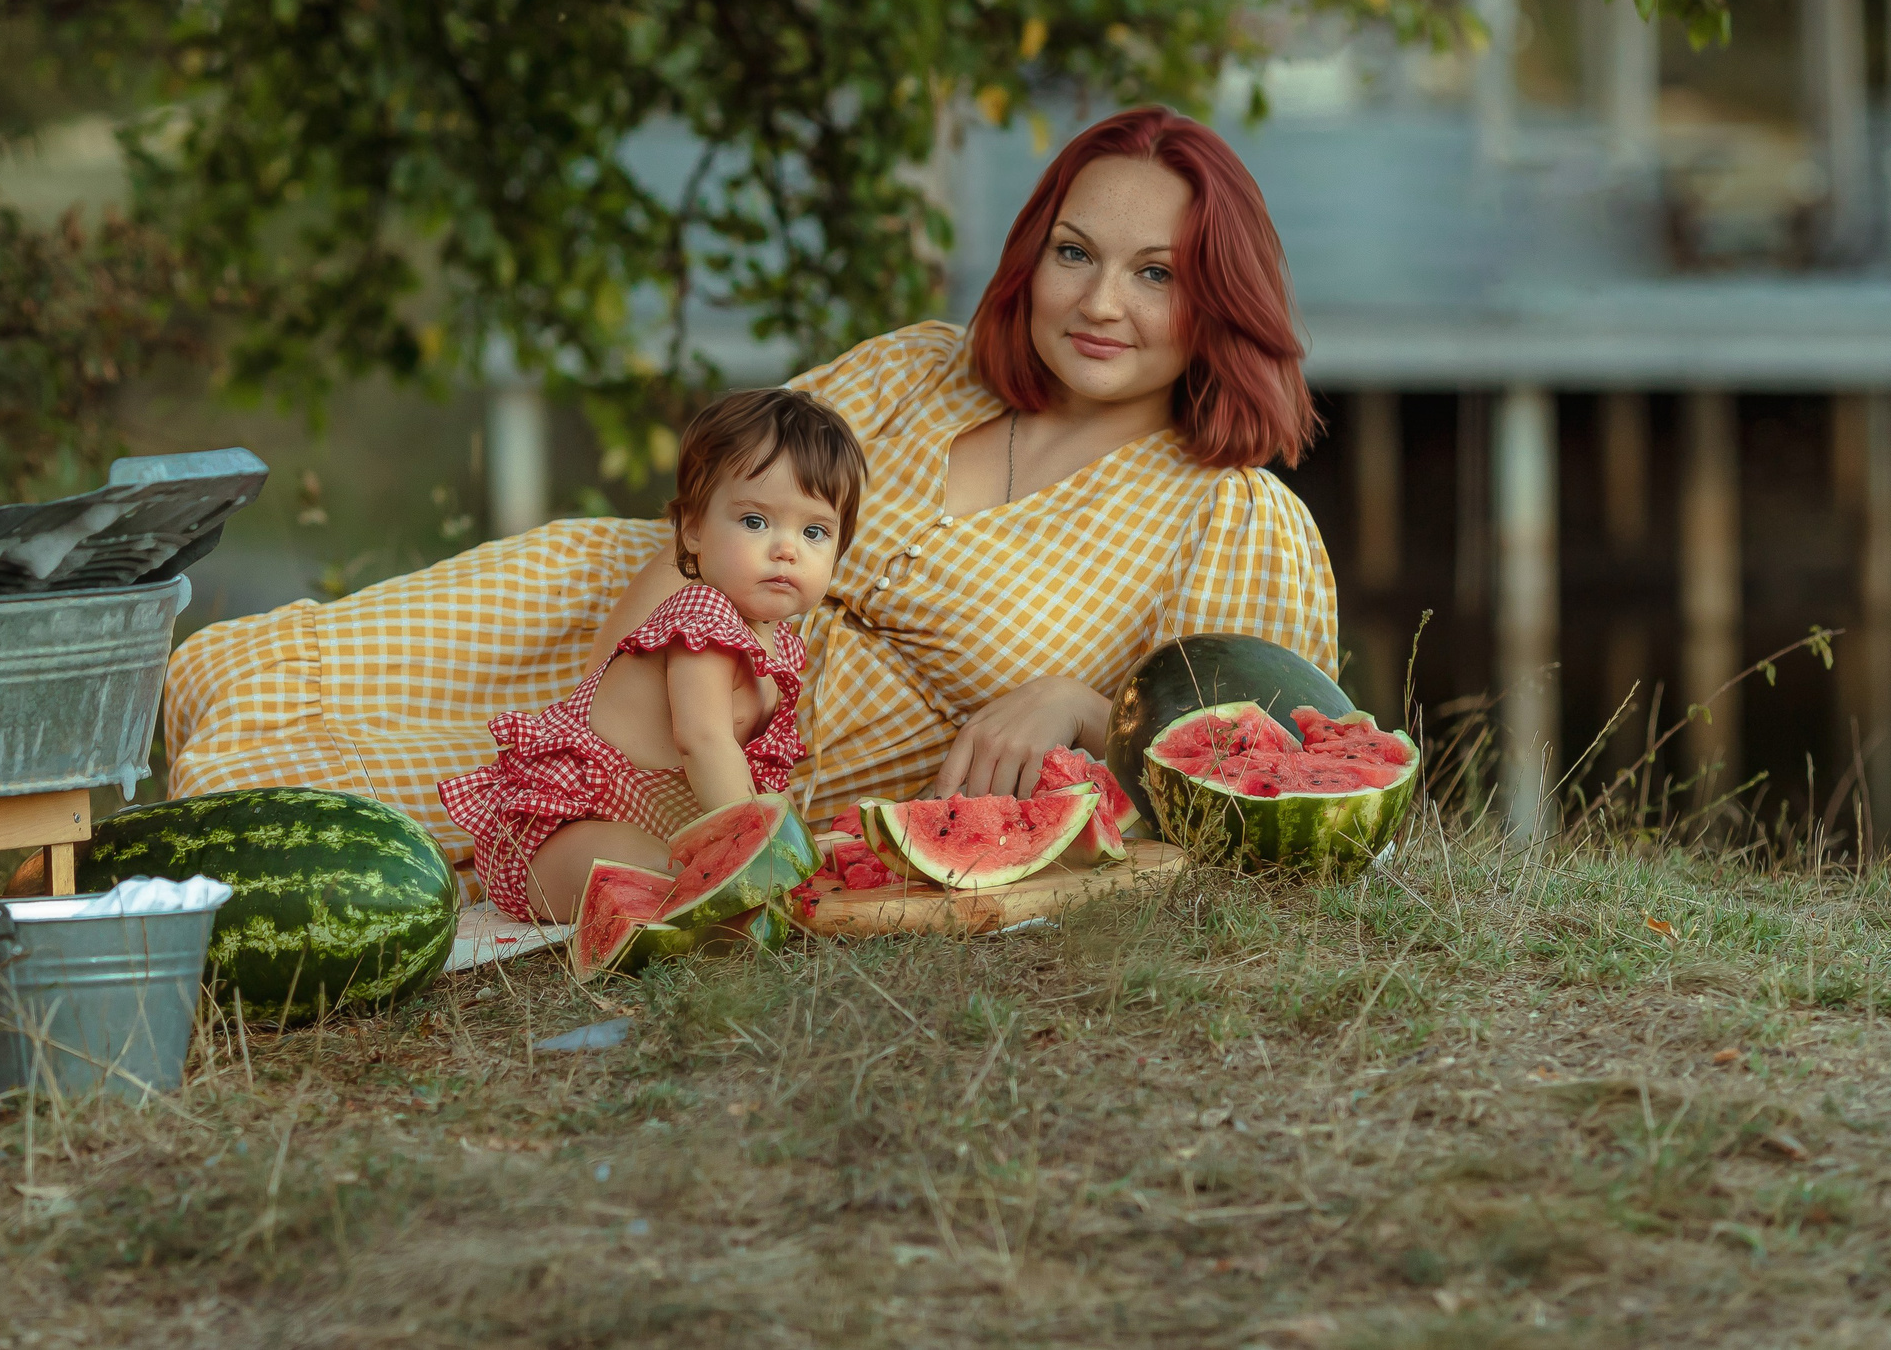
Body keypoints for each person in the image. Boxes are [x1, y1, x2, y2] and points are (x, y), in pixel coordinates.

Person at [161, 105, 1337, 895]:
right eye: (1075, 253)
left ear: (1220, 299)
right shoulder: (913, 370)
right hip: (608, 644)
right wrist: (604, 721)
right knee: (231, 681)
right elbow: (719, 504)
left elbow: (1246, 782)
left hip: (741, 787)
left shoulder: (1227, 516)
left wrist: (1081, 703)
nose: (1099, 303)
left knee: (269, 803)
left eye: (1155, 274)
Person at [437, 389, 864, 921]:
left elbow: (747, 782)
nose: (786, 548)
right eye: (755, 521)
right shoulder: (701, 619)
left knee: (680, 870)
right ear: (693, 529)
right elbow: (704, 741)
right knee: (656, 869)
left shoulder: (779, 646)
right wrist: (763, 854)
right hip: (562, 836)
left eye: (814, 531)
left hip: (648, 829)